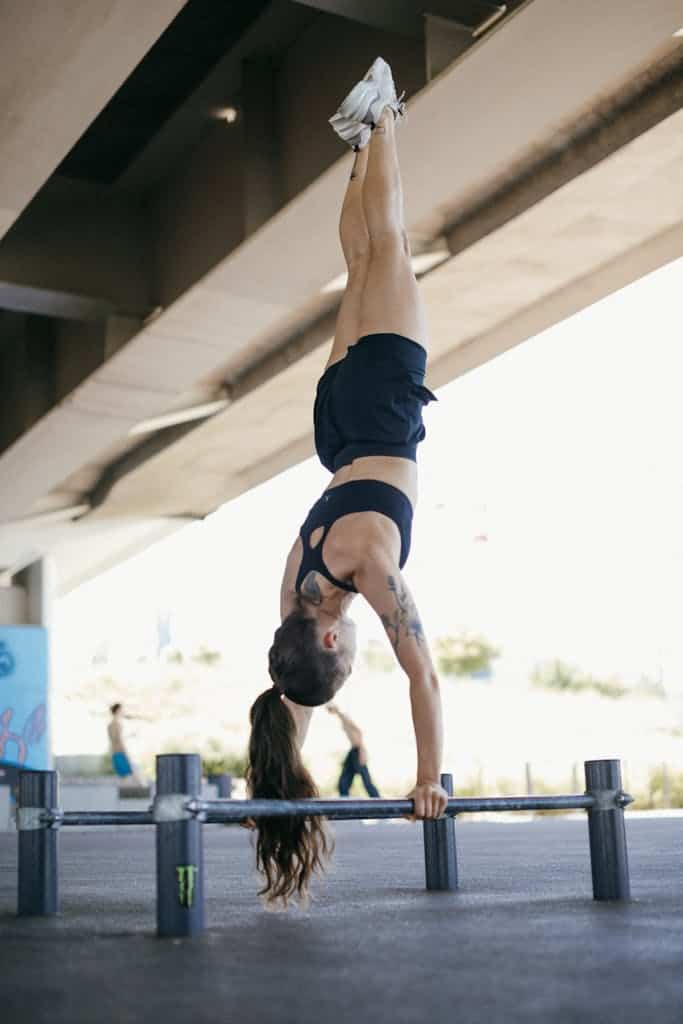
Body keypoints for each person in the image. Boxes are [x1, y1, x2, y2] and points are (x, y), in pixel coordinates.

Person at [247, 57, 448, 906]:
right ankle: (360, 140)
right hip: (331, 422)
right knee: (361, 255)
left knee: (390, 246)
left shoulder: (369, 569)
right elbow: (289, 693)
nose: (358, 643)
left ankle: (386, 112)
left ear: (332, 638)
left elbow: (423, 677)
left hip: (377, 414)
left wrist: (429, 779)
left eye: (348, 650)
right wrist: (268, 789)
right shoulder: (298, 586)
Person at [327, 704, 380, 798]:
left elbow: (359, 734)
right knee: (343, 784)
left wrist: (362, 752)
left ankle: (379, 802)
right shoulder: (343, 720)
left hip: (358, 751)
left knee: (367, 782)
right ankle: (344, 803)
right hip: (353, 752)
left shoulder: (346, 720)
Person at [107, 703, 144, 786]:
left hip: (115, 753)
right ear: (117, 711)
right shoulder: (117, 724)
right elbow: (118, 740)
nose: (123, 712)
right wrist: (126, 753)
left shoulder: (110, 725)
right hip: (121, 752)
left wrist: (129, 736)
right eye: (121, 710)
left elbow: (116, 739)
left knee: (125, 777)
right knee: (132, 775)